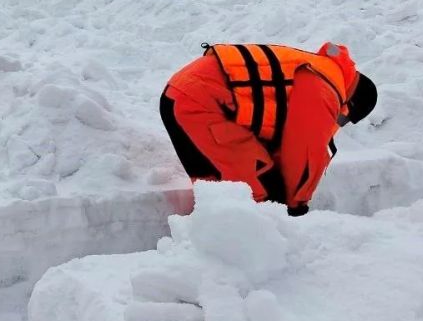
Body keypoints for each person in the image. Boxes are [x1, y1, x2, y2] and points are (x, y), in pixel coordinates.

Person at [160, 42, 377, 216]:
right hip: (201, 102)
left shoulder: (318, 68)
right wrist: (296, 206)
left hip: (179, 95)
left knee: (216, 187)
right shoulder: (327, 85)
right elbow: (305, 151)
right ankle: (247, 259)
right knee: (259, 195)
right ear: (352, 103)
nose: (338, 122)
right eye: (344, 118)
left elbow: (281, 129)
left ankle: (208, 252)